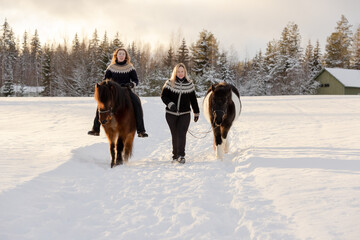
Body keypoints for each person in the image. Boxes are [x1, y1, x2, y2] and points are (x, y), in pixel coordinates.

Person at [88, 48, 148, 138]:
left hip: (126, 90)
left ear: (126, 56)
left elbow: (136, 80)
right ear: (116, 56)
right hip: (113, 92)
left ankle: (141, 130)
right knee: (101, 104)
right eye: (120, 54)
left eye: (123, 54)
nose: (121, 56)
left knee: (137, 102)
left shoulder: (130, 67)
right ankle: (96, 129)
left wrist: (131, 84)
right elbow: (105, 80)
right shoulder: (111, 67)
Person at [161, 63, 200, 164]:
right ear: (175, 72)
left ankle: (181, 155)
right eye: (178, 71)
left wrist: (196, 112)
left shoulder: (190, 84)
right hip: (171, 114)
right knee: (175, 134)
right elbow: (163, 96)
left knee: (182, 133)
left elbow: (193, 100)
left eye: (182, 71)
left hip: (185, 113)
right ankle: (175, 156)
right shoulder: (169, 83)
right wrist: (170, 104)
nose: (180, 73)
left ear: (185, 72)